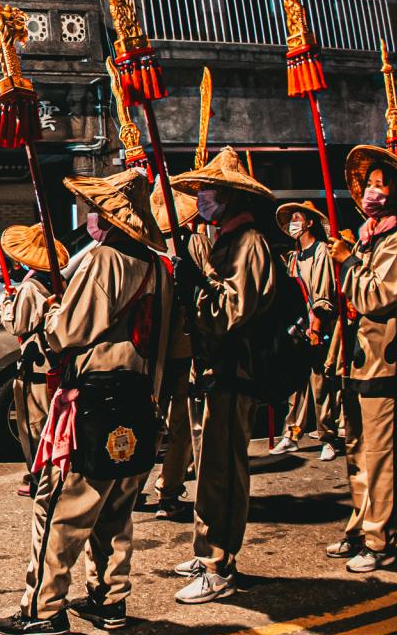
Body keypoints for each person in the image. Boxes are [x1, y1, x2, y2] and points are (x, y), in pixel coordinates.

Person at [0, 169, 170, 635]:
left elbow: (66, 331)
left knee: (59, 507)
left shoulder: (108, 259)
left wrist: (52, 312)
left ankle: (43, 609)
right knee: (114, 510)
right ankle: (108, 599)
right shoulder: (156, 265)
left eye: (96, 211)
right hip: (139, 398)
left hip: (94, 398)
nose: (90, 218)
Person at [169, 148, 279, 605]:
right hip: (215, 369)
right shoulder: (221, 240)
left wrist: (199, 289)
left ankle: (220, 561)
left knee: (224, 470)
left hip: (237, 369)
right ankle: (205, 548)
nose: (204, 198)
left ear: (231, 197)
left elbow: (234, 311)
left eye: (211, 192)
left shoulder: (250, 243)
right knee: (209, 466)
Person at [328, 145, 397, 573]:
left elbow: (378, 297)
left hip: (387, 360)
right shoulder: (367, 239)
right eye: (368, 185)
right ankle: (360, 526)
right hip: (356, 360)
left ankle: (381, 537)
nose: (371, 193)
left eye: (379, 187)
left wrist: (347, 265)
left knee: (382, 456)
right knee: (357, 452)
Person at [143, 180, 198, 519]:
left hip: (163, 350)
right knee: (178, 424)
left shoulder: (148, 246)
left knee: (161, 421)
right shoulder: (190, 245)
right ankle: (167, 489)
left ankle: (150, 487)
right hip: (174, 348)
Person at [0, 220, 68, 489]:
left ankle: (41, 477)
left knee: (33, 427)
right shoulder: (57, 281)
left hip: (36, 365)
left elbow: (17, 324)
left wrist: (7, 305)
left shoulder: (31, 288)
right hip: (54, 361)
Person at [271, 201, 338, 458]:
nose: (293, 223)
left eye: (297, 217)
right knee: (296, 384)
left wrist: (317, 326)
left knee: (320, 383)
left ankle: (327, 437)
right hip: (297, 328)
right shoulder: (294, 256)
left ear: (309, 222)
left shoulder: (321, 251)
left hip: (317, 325)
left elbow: (323, 291)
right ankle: (292, 433)